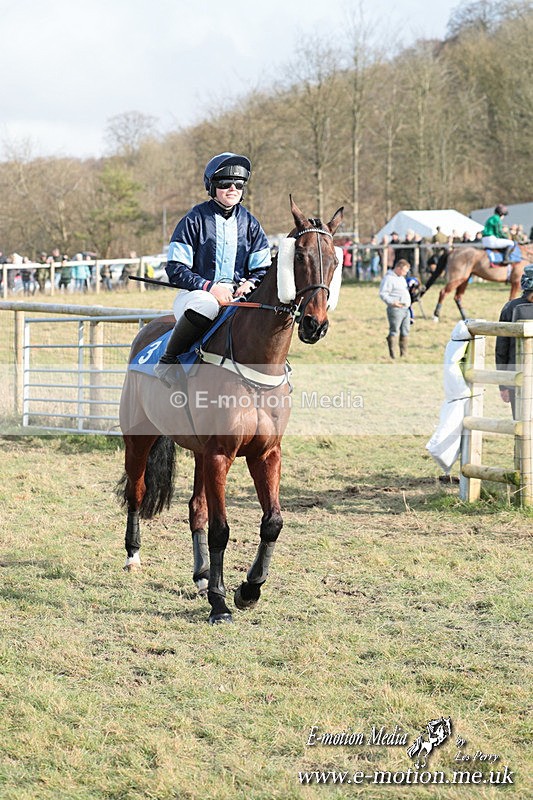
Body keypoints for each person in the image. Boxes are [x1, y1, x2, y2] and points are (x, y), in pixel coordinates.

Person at [154, 152, 271, 384]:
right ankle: (168, 360)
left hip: (237, 298)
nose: (232, 188)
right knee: (206, 304)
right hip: (195, 297)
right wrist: (210, 287)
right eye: (225, 183)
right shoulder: (193, 220)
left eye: (238, 184)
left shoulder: (251, 223)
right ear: (212, 186)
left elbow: (263, 268)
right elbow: (176, 268)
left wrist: (251, 283)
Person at [495, 264, 533, 416]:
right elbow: (502, 348)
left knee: (520, 423)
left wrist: (502, 384)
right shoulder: (512, 308)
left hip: (515, 377)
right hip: (516, 378)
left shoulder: (510, 307)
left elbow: (501, 349)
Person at [379, 258, 411, 358]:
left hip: (406, 309)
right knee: (394, 330)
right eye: (404, 271)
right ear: (398, 268)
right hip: (396, 309)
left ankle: (403, 354)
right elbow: (383, 293)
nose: (405, 273)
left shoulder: (401, 278)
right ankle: (392, 354)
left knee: (405, 331)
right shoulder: (388, 279)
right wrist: (392, 302)